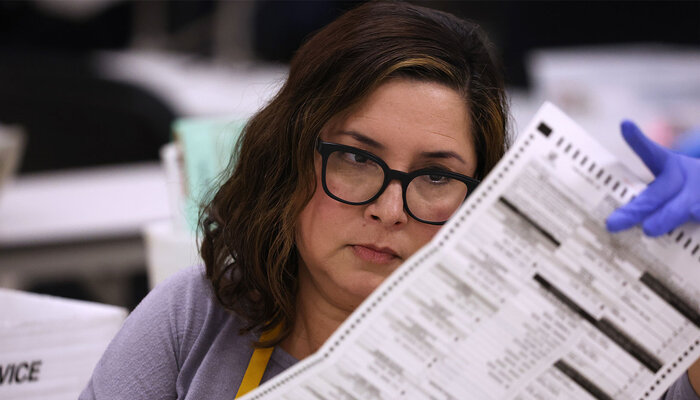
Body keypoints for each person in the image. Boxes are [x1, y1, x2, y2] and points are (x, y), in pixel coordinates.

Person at [80, 2, 700, 399]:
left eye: (435, 176)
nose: (390, 209)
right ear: (292, 157)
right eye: (356, 158)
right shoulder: (198, 317)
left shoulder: (550, 343)